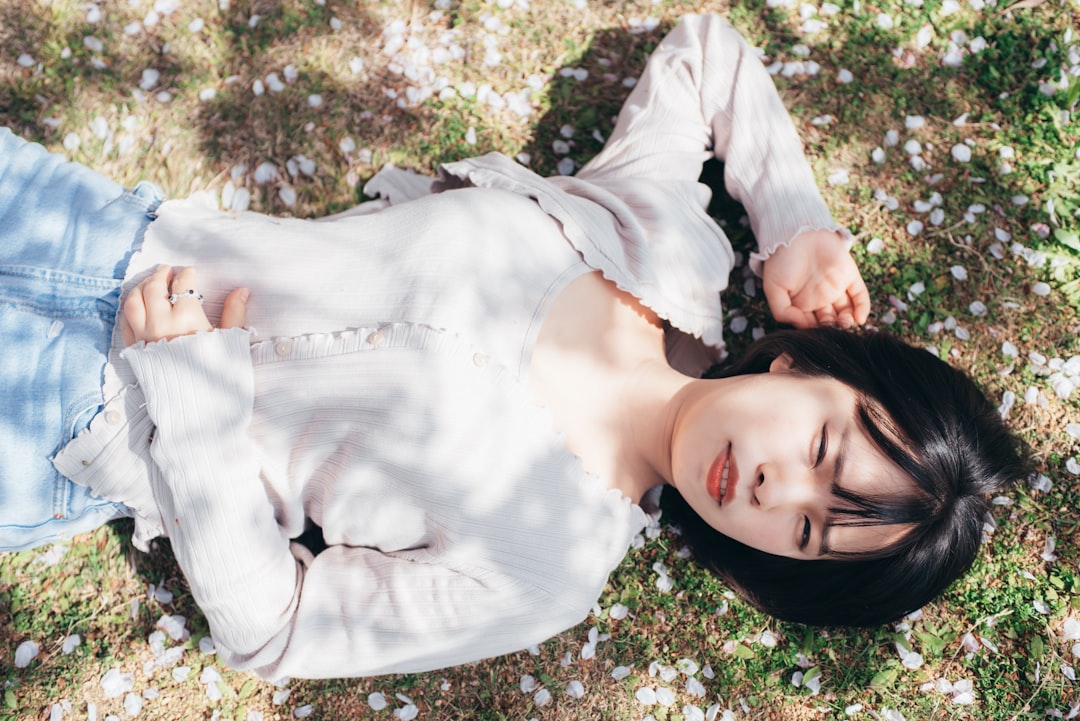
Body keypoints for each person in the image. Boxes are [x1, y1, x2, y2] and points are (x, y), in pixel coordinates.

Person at [0, 14, 1026, 681]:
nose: (771, 490)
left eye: (808, 535)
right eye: (820, 452)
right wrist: (793, 222)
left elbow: (279, 628)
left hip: (78, 427)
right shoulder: (667, 247)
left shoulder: (548, 569)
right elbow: (709, 54)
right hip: (104, 228)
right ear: (812, 369)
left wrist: (198, 414)